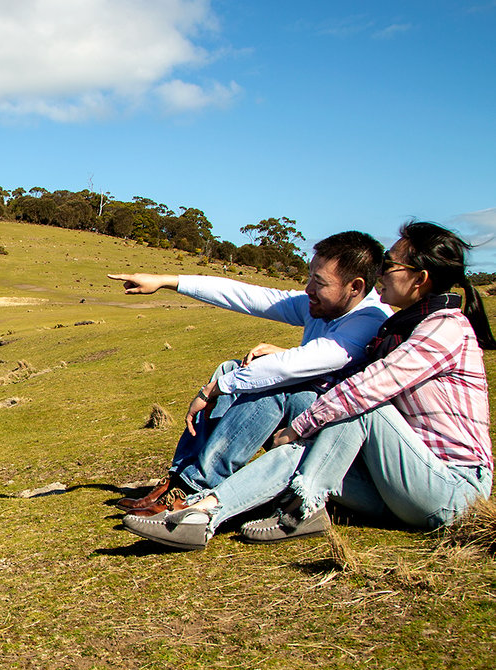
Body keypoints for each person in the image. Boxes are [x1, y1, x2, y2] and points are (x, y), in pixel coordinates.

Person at [123, 221, 495, 549]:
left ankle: (271, 502)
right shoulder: (406, 325)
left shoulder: (443, 328)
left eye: (390, 264)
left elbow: (365, 389)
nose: (383, 272)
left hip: (451, 491)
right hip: (394, 481)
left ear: (420, 278)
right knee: (314, 441)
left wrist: (296, 427)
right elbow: (253, 297)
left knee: (355, 407)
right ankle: (202, 514)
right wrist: (168, 281)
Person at [109, 231, 388, 514]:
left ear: (355, 287)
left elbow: (294, 366)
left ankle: (198, 488)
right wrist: (167, 282)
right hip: (310, 414)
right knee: (231, 369)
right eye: (309, 278)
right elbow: (249, 296)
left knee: (271, 386)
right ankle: (179, 479)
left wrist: (214, 389)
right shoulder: (321, 306)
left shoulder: (369, 320)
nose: (308, 290)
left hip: (339, 436)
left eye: (319, 282)